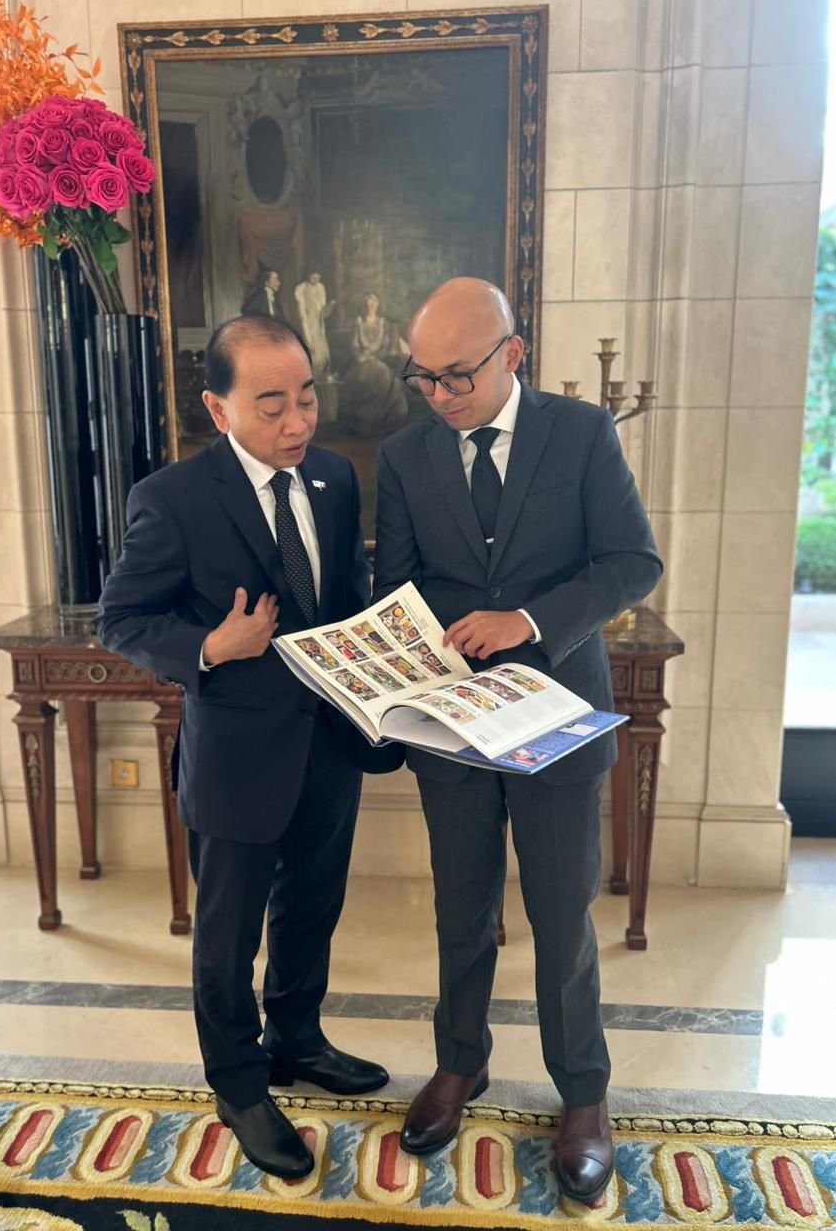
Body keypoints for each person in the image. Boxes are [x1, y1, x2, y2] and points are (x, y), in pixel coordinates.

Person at [372, 278, 662, 1205]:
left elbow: (633, 561)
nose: (440, 394)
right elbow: (398, 588)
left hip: (559, 719)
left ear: (514, 354)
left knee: (561, 915)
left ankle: (583, 1093)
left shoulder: (581, 434)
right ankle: (460, 1063)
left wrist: (528, 621)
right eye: (423, 376)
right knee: (461, 908)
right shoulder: (405, 455)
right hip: (451, 725)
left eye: (458, 375)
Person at [97, 315, 398, 1182]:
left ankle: (297, 1039)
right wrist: (208, 646)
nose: (297, 422)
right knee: (226, 937)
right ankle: (237, 1081)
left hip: (328, 743)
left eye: (307, 397)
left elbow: (345, 600)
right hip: (236, 757)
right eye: (272, 405)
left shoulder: (334, 480)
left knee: (312, 907)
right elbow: (122, 618)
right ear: (218, 408)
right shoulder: (174, 499)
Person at [341, 293, 409, 435]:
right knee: (358, 378)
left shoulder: (382, 322)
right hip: (362, 360)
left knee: (384, 375)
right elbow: (354, 344)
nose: (369, 307)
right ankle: (363, 423)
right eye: (367, 305)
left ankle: (381, 422)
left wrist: (376, 356)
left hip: (379, 359)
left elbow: (385, 345)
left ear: (376, 306)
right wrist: (361, 356)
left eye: (372, 304)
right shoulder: (359, 321)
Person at [294, 271, 336, 377]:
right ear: (308, 275)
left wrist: (330, 307)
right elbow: (302, 316)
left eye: (318, 277)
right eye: (313, 276)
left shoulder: (321, 288)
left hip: (318, 327)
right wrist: (309, 340)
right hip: (307, 326)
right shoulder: (301, 289)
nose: (316, 279)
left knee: (323, 358)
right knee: (313, 357)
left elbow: (323, 313)